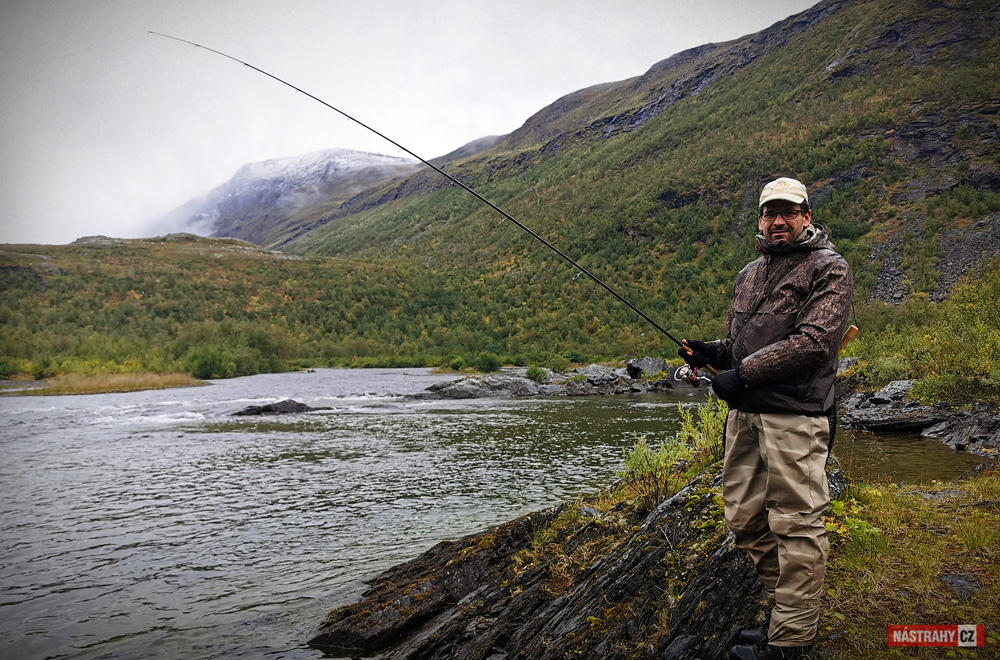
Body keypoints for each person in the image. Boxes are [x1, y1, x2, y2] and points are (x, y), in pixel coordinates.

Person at [680, 177, 854, 660]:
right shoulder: (750, 273)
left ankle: (791, 637)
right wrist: (713, 353)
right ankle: (785, 610)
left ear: (806, 216)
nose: (778, 221)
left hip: (796, 415)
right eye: (769, 213)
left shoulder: (829, 268)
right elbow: (741, 345)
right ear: (760, 219)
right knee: (743, 517)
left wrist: (741, 374)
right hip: (747, 414)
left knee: (796, 523)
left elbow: (813, 343)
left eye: (788, 212)